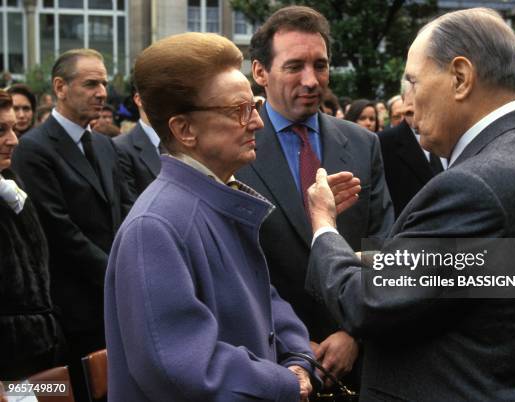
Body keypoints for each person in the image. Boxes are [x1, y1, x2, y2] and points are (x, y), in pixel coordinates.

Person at [305, 8, 515, 400]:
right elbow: (490, 271)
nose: (407, 105)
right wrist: (379, 257)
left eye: (413, 82)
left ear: (460, 77)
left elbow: (368, 303)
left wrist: (323, 227)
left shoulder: (473, 185)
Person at [105, 32, 351, 402]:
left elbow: (265, 302)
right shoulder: (154, 227)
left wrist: (299, 359)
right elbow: (182, 365)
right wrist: (287, 381)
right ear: (184, 130)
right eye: (239, 110)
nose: (257, 122)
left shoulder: (215, 200)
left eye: (253, 104)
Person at [235, 5, 394, 388]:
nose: (311, 80)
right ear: (260, 72)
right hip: (269, 364)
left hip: (359, 362)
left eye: (320, 65)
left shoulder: (362, 144)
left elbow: (384, 246)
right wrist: (290, 344)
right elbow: (231, 266)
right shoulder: (235, 150)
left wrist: (354, 333)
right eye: (294, 67)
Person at [11, 48, 134, 400]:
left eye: (105, 84)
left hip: (115, 305)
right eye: (91, 83)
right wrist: (119, 273)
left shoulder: (106, 146)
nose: (102, 93)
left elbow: (128, 211)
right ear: (60, 87)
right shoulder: (33, 148)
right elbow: (61, 232)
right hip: (72, 313)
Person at [0, 89, 60, 380]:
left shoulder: (10, 183)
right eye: (1, 130)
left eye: (12, 128)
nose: (13, 140)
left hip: (36, 354)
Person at [378, 80, 444, 218]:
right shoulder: (382, 143)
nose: (417, 115)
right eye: (410, 111)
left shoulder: (451, 135)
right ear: (404, 100)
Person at [113, 92, 162, 197]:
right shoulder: (120, 147)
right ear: (138, 99)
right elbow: (129, 204)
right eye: (158, 91)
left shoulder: (185, 141)